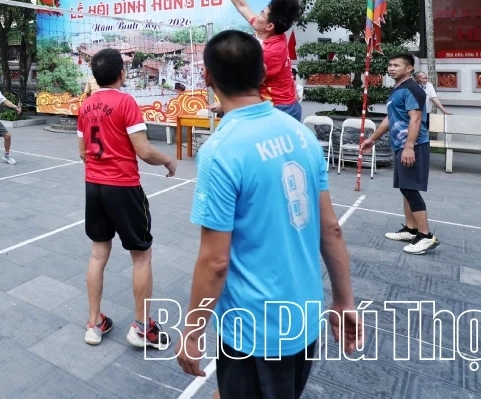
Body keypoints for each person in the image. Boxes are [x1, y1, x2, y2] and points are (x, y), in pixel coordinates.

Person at [177, 30, 361, 397]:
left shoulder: (221, 151)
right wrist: (343, 300)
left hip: (255, 328)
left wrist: (192, 330)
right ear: (263, 74)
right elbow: (331, 229)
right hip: (304, 315)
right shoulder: (301, 134)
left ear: (208, 77)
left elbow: (215, 261)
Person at [79, 48, 177, 350]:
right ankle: (141, 327)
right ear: (122, 73)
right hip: (122, 187)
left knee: (98, 254)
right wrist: (168, 161)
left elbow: (82, 153)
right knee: (141, 256)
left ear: (95, 76)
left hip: (93, 186)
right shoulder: (126, 102)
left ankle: (94, 324)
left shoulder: (85, 106)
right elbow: (144, 151)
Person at [361, 54, 439, 254]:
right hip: (400, 145)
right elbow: (391, 118)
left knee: (411, 189)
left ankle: (425, 236)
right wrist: (373, 138)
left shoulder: (413, 89)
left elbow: (415, 119)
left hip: (413, 146)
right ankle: (411, 229)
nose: (392, 68)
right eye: (390, 65)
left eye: (397, 65)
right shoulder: (397, 90)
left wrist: (409, 147)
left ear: (409, 69)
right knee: (406, 188)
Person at [210, 0, 304, 120]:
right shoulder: (269, 32)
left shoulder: (270, 53)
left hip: (281, 110)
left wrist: (225, 104)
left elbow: (247, 87)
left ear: (269, 26)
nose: (257, 15)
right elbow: (242, 5)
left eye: (262, 13)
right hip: (277, 104)